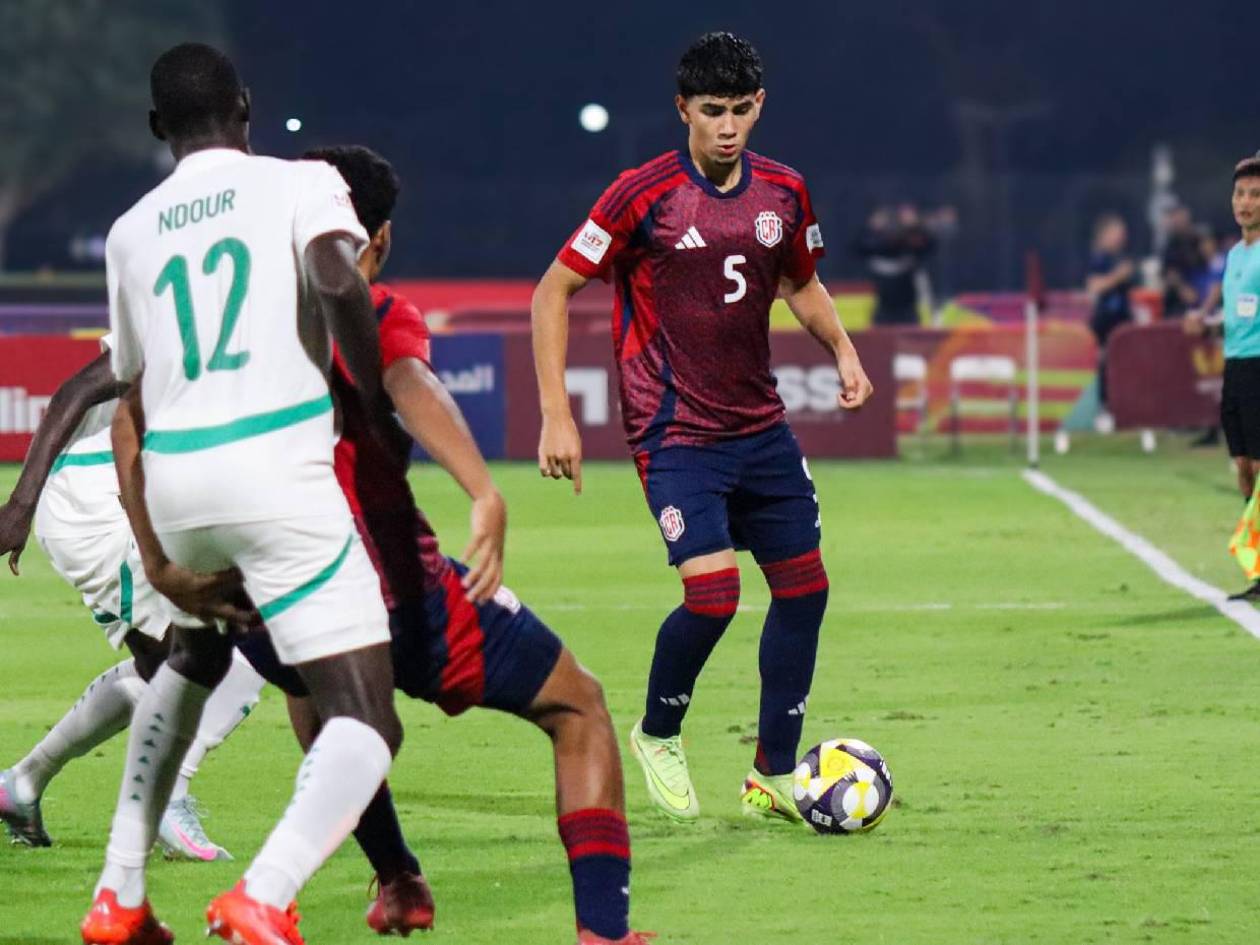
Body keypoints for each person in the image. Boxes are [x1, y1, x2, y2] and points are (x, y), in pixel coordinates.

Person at [234, 144, 649, 945]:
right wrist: (483, 489)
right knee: (580, 705)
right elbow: (405, 379)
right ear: (378, 239)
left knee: (315, 694)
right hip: (392, 592)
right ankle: (604, 931)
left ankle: (398, 881)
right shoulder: (371, 306)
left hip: (261, 597)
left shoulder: (230, 322)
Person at [80, 43, 402, 945]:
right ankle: (262, 892)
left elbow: (130, 398)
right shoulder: (300, 183)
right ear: (247, 107)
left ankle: (120, 893)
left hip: (180, 485)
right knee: (367, 717)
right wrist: (370, 408)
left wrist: (154, 556)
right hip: (277, 474)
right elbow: (340, 278)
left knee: (195, 654)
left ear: (158, 130)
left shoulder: (131, 230)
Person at [531, 32, 873, 826]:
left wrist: (843, 347)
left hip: (761, 426)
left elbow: (800, 281)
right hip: (673, 427)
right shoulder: (639, 193)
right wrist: (557, 411)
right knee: (714, 595)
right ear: (682, 108)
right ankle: (658, 731)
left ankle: (772, 774)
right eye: (711, 111)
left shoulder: (785, 190)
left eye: (741, 110)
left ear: (760, 106)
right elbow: (553, 291)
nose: (727, 126)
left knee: (806, 590)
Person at [0, 338, 264, 862]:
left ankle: (22, 785)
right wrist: (20, 504)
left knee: (164, 670)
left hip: (141, 490)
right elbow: (77, 390)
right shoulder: (185, 309)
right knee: (237, 647)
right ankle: (169, 794)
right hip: (94, 497)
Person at [1204, 155, 1260, 600]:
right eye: (1240, 194)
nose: (1245, 202)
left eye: (1255, 195)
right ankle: (1258, 572)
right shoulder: (1234, 256)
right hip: (1235, 367)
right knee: (1243, 470)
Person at [1085, 214, 1136, 431]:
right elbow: (1094, 287)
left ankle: (1126, 408)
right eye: (1117, 232)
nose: (1121, 237)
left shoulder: (1123, 257)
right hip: (1105, 320)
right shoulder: (1100, 258)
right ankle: (1103, 410)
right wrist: (1118, 276)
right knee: (1104, 365)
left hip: (1123, 319)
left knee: (1126, 366)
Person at [851, 203, 937, 325]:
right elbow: (859, 248)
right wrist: (872, 229)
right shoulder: (877, 248)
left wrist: (914, 227)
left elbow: (929, 245)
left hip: (907, 308)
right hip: (884, 308)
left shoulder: (910, 246)